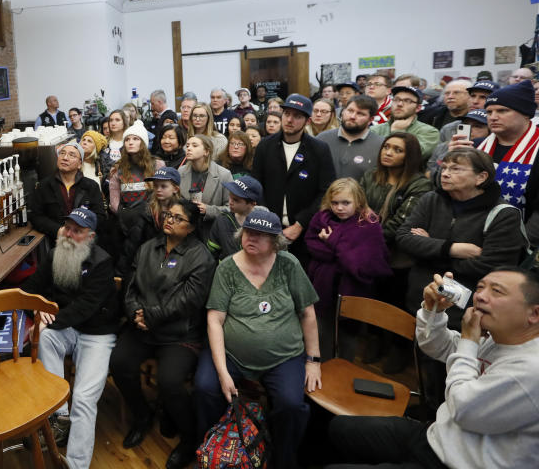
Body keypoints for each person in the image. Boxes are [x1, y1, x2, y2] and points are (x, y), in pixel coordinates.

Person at [326, 267, 539, 469]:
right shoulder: (502, 335)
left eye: (497, 291)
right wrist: (434, 311)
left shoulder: (536, 368)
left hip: (459, 462)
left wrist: (469, 341)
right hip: (437, 435)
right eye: (480, 287)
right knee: (340, 428)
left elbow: (463, 409)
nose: (480, 296)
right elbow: (437, 346)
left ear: (535, 314)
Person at [195, 208, 321, 469]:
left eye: (261, 235)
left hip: (283, 355)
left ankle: (283, 459)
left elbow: (307, 313)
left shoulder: (289, 265)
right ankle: (212, 450)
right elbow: (214, 320)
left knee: (291, 405)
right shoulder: (228, 268)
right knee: (205, 388)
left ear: (276, 241)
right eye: (248, 232)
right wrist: (222, 372)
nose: (252, 238)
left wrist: (313, 360)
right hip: (230, 353)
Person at [109, 199, 215, 469]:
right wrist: (135, 313)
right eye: (168, 215)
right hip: (143, 326)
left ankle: (191, 439)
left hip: (179, 334)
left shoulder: (201, 257)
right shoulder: (148, 248)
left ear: (191, 228)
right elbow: (131, 287)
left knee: (170, 382)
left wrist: (151, 316)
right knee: (119, 363)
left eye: (178, 218)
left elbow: (189, 301)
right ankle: (143, 415)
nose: (169, 219)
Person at [22, 207, 119, 469]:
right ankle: (59, 416)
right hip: (69, 329)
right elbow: (29, 290)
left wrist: (50, 317)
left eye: (77, 231)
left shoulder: (102, 262)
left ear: (90, 236)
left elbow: (85, 308)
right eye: (67, 227)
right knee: (42, 336)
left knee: (85, 399)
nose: (69, 233)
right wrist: (38, 309)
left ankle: (76, 465)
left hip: (97, 334)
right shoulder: (55, 254)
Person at [396, 148, 528, 327]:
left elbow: (491, 266)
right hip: (419, 300)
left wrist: (428, 251)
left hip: (465, 313)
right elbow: (404, 238)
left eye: (456, 169)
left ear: (481, 177)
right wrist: (452, 249)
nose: (445, 174)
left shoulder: (503, 214)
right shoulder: (431, 199)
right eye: (444, 168)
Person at [359, 132, 433, 369]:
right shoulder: (371, 176)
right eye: (386, 147)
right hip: (369, 254)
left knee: (399, 304)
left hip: (398, 258)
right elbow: (355, 208)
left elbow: (399, 225)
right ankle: (375, 340)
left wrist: (367, 223)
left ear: (409, 156)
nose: (388, 152)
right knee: (373, 300)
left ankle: (400, 349)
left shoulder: (419, 183)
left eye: (397, 149)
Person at [451, 81, 539, 244]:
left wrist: (520, 244)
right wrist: (452, 161)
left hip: (520, 241)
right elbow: (446, 189)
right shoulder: (476, 145)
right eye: (489, 112)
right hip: (468, 235)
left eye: (502, 111)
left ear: (525, 114)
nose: (493, 117)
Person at [304, 178, 391, 356]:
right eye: (335, 203)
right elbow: (311, 244)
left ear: (358, 201)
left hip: (353, 290)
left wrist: (333, 242)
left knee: (347, 338)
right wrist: (340, 252)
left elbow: (362, 263)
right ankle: (323, 372)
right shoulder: (321, 218)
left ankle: (344, 368)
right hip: (322, 288)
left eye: (346, 203)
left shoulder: (368, 224)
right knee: (321, 333)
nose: (339, 208)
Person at [251, 94, 336, 268]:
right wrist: (268, 222)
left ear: (307, 121)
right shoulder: (265, 146)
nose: (290, 120)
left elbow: (326, 191)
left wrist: (300, 224)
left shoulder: (319, 149)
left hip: (304, 232)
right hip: (268, 229)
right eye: (287, 114)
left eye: (297, 116)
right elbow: (256, 186)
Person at [29, 141, 106, 242]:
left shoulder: (91, 186)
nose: (65, 158)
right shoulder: (44, 186)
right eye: (62, 153)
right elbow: (36, 216)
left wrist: (79, 230)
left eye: (72, 155)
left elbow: (99, 216)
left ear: (79, 164)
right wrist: (58, 230)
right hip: (55, 240)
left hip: (83, 241)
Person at [426, 79, 496, 175]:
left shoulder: (501, 129)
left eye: (483, 97)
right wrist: (448, 156)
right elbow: (430, 170)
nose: (475, 101)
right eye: (472, 96)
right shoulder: (450, 128)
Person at [316, 95, 384, 180]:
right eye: (350, 111)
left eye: (360, 114)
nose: (352, 116)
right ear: (343, 111)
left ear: (370, 120)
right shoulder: (322, 139)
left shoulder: (381, 145)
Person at [178, 134, 232, 236]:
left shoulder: (224, 175)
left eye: (194, 145)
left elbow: (231, 208)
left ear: (206, 151)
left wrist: (209, 210)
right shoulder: (181, 172)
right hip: (185, 231)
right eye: (188, 145)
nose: (189, 148)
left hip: (212, 231)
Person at [370, 85, 440, 162]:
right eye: (396, 99)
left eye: (407, 101)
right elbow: (370, 156)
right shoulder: (374, 129)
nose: (399, 104)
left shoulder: (429, 132)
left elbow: (414, 156)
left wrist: (397, 132)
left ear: (418, 108)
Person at [108, 121, 163, 215]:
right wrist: (126, 215)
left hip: (151, 218)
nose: (130, 142)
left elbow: (163, 196)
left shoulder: (157, 165)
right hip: (126, 219)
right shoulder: (117, 168)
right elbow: (114, 202)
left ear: (143, 142)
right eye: (127, 139)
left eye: (135, 139)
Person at [206, 175, 263, 260]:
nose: (230, 202)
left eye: (236, 200)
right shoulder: (221, 220)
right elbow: (211, 253)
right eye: (230, 196)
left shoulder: (264, 223)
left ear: (252, 203)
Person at [103, 109, 128, 174]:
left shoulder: (129, 142)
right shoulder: (104, 142)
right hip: (106, 180)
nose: (113, 123)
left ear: (124, 122)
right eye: (111, 120)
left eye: (117, 120)